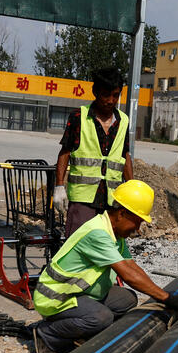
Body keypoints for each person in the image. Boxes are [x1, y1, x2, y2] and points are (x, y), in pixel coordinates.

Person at [31, 179, 178, 353]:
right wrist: (168, 299)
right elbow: (128, 275)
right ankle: (46, 335)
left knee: (127, 299)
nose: (137, 229)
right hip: (56, 298)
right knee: (101, 317)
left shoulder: (114, 233)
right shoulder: (98, 233)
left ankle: (81, 331)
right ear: (121, 213)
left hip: (80, 292)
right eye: (136, 222)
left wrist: (162, 295)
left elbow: (132, 267)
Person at [52, 67, 134, 237]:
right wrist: (59, 186)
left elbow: (125, 156)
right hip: (83, 199)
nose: (111, 100)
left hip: (112, 200)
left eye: (116, 95)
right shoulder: (79, 117)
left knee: (107, 249)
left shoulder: (123, 121)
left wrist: (132, 188)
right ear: (95, 92)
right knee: (78, 245)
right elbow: (65, 152)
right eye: (106, 95)